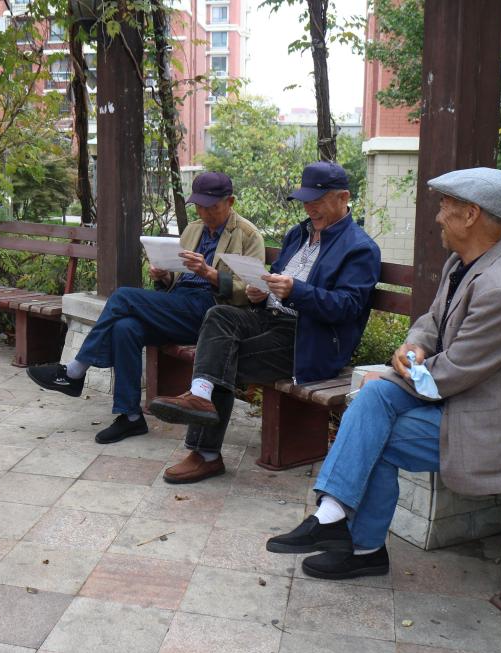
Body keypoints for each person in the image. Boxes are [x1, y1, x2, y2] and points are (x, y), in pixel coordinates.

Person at [266, 167, 501, 580]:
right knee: (373, 403)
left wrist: (390, 373)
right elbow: (431, 322)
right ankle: (337, 521)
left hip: (494, 423)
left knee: (374, 429)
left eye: (446, 206)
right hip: (459, 401)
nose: (438, 216)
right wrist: (414, 345)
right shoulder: (463, 264)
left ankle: (357, 542)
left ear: (471, 214)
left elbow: (455, 370)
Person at [149, 162, 381, 483]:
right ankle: (200, 397)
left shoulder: (359, 248)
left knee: (219, 358)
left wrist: (295, 291)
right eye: (305, 201)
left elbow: (348, 307)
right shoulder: (298, 234)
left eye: (317, 200)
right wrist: (260, 292)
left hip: (308, 339)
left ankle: (205, 452)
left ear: (344, 197)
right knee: (219, 315)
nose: (309, 208)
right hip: (269, 318)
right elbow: (274, 280)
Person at [25, 172, 265, 443]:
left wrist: (210, 274)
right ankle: (130, 416)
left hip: (212, 313)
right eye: (199, 206)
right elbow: (178, 277)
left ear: (230, 201)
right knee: (125, 328)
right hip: (181, 305)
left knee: (123, 297)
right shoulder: (194, 229)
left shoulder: (248, 235)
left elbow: (252, 291)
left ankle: (74, 371)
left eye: (212, 207)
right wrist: (164, 275)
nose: (204, 213)